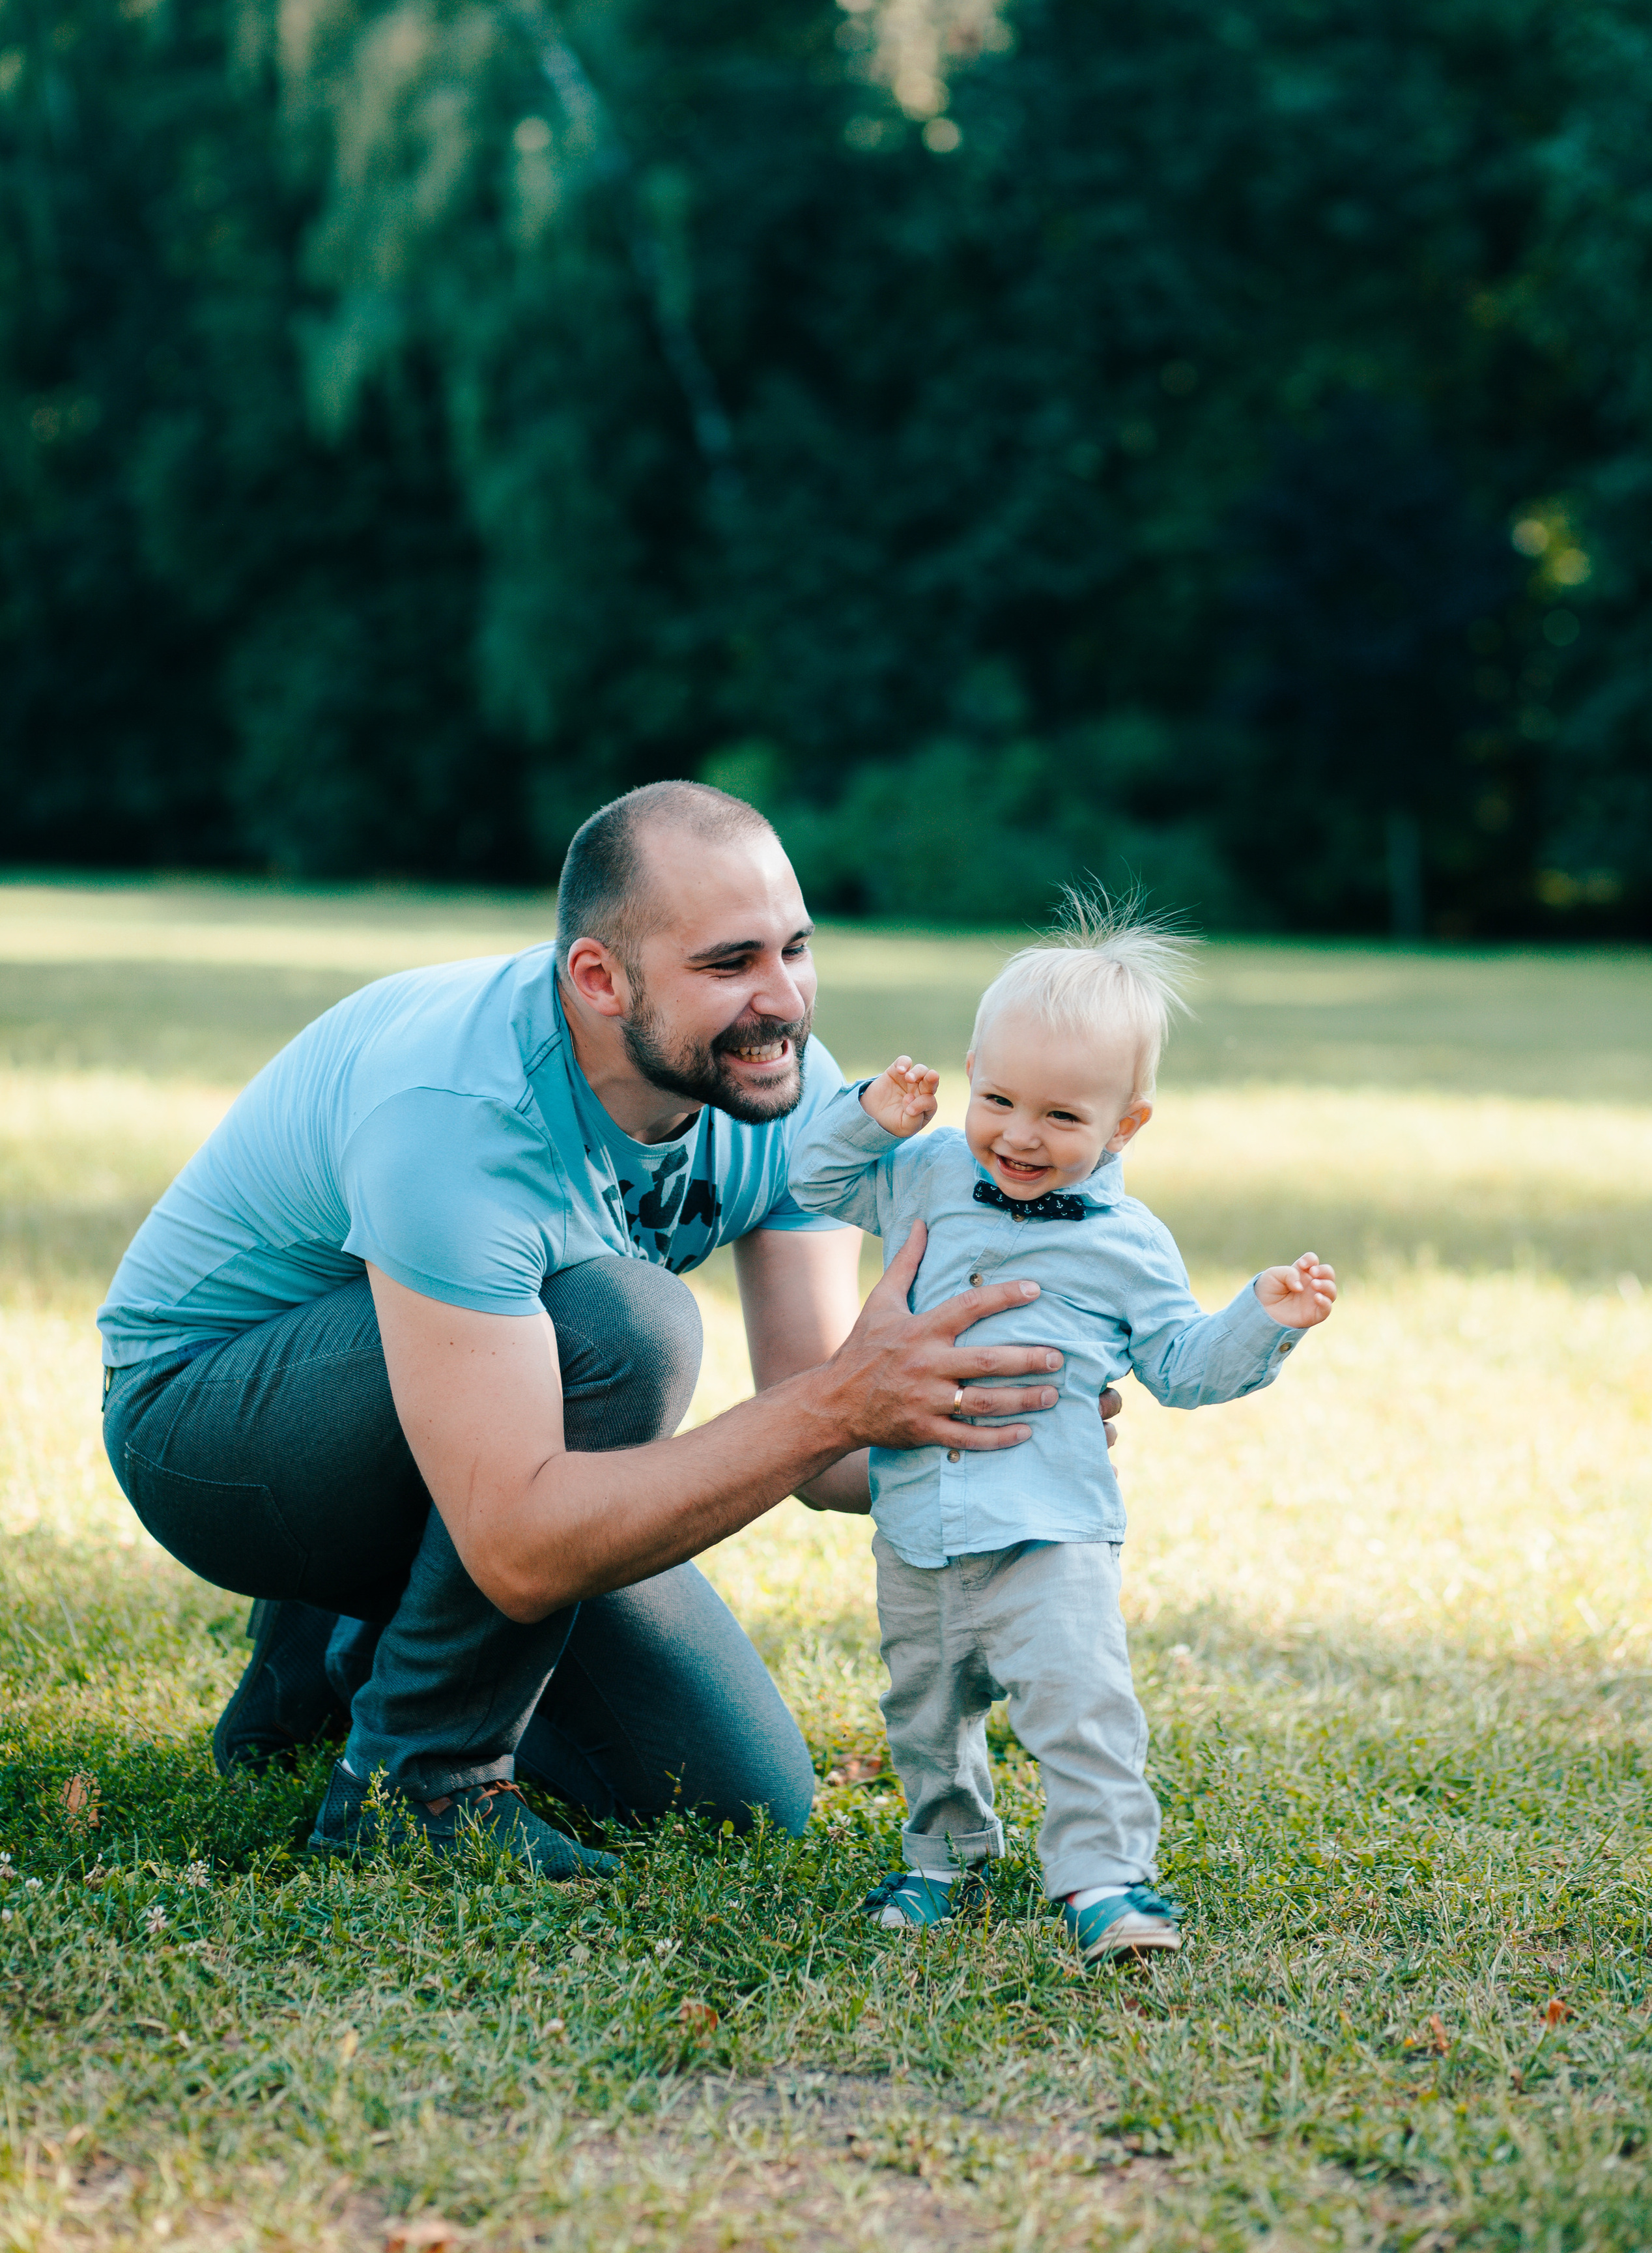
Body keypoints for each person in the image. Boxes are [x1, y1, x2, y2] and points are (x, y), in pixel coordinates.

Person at [98, 782, 1093, 1876]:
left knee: (738, 1798)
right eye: (729, 965)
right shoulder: (460, 1112)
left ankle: (319, 1668)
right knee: (624, 1326)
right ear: (598, 978)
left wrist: (985, 1415)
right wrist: (840, 1401)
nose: (783, 1002)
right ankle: (419, 1793)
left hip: (432, 1419)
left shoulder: (786, 1093)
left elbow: (823, 1442)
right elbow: (523, 1553)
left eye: (794, 949)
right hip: (211, 1434)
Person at [785, 889, 1336, 1964]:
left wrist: (1260, 1319)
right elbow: (812, 1177)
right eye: (997, 1098)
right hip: (917, 1522)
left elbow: (1177, 1368)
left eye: (1063, 1118)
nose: (1019, 1137)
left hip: (1052, 1529)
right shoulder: (928, 1170)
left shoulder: (1129, 1243)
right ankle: (944, 1855)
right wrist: (871, 1117)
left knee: (1082, 1709)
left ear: (1127, 1125)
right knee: (923, 1710)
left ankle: (1105, 1882)